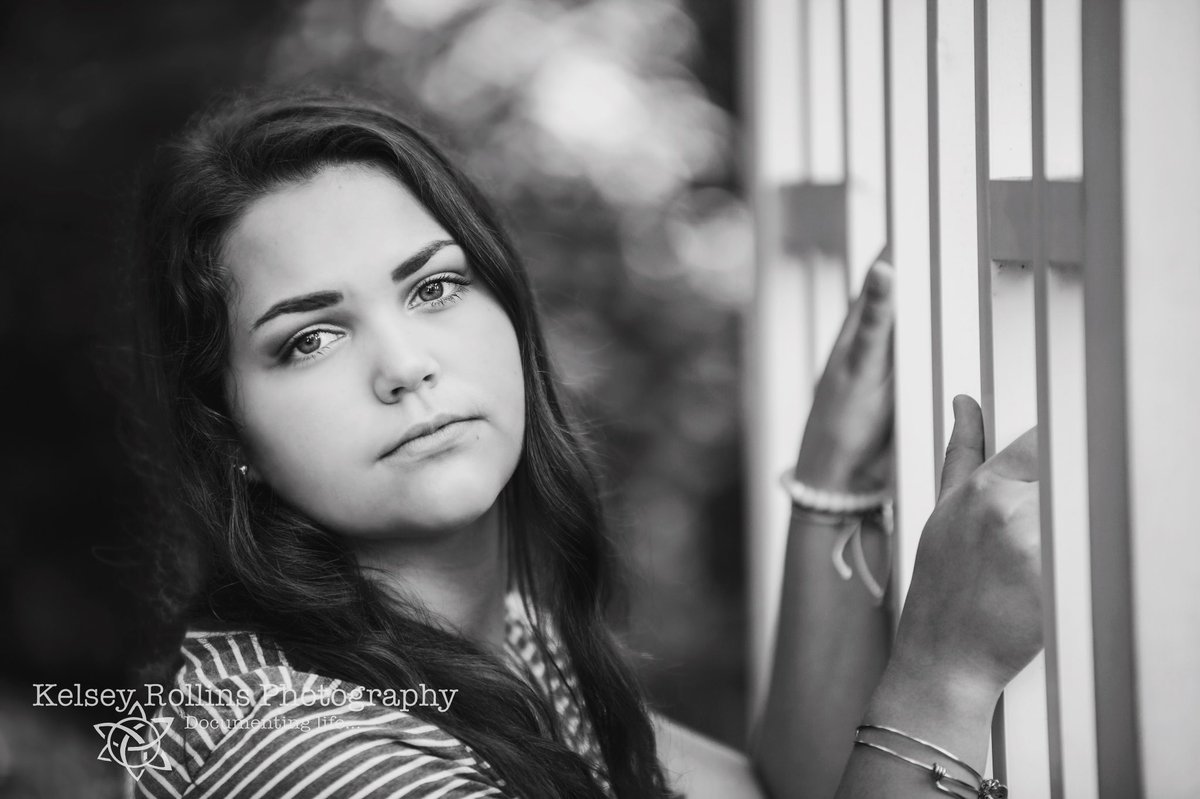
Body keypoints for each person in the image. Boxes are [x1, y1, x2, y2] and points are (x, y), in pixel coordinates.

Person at [123, 89, 1041, 799]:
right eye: (309, 339)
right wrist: (945, 674)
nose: (405, 366)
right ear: (226, 428)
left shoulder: (490, 639)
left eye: (434, 288)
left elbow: (764, 791)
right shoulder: (303, 746)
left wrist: (832, 489)